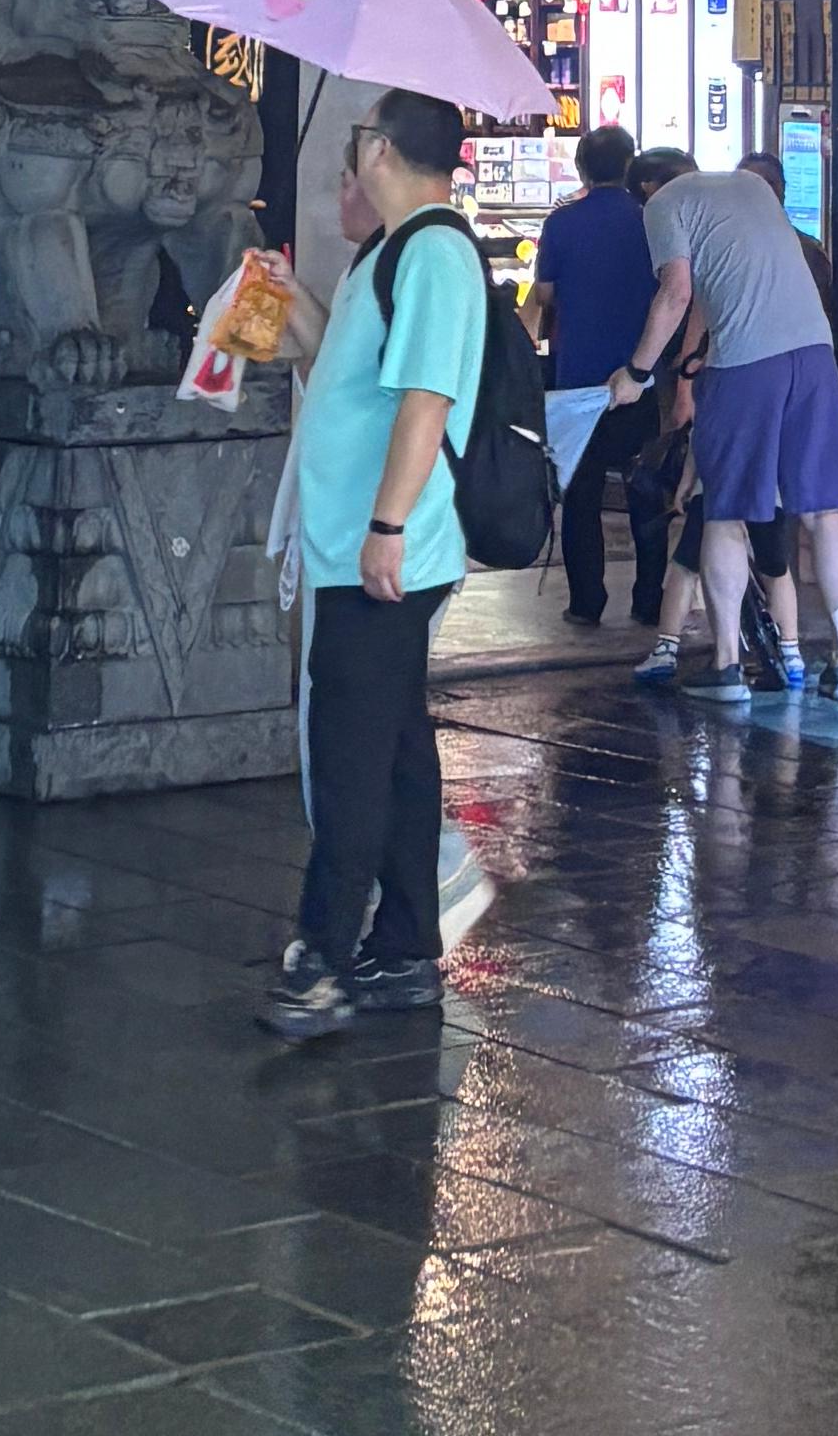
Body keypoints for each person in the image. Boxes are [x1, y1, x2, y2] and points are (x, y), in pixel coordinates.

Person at [263, 87, 489, 1043]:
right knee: (393, 751)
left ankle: (324, 956)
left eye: (360, 138)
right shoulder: (386, 254)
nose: (352, 155)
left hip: (384, 554)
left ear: (384, 149)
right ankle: (404, 948)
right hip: (354, 545)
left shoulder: (434, 253)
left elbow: (425, 402)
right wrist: (290, 301)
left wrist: (387, 525)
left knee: (350, 753)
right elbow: (348, 378)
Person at [604, 140, 838, 703]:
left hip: (746, 363)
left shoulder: (663, 205)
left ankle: (726, 667)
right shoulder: (748, 188)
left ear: (645, 189)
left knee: (725, 512)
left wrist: (637, 373)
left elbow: (677, 292)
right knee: (823, 512)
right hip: (814, 355)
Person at [532, 129, 666, 627]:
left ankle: (587, 602)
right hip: (639, 375)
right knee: (645, 490)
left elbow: (544, 294)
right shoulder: (651, 220)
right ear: (629, 164)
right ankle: (649, 599)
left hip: (578, 380)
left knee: (581, 493)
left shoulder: (562, 223)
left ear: (581, 168)